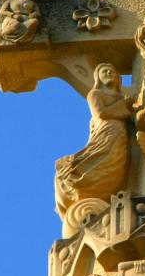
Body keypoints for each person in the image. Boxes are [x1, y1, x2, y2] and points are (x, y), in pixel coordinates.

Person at [54, 63, 133, 216]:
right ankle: (75, 176)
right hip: (105, 131)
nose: (109, 73)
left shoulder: (122, 97)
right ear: (98, 77)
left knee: (116, 158)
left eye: (113, 72)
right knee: (101, 154)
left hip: (120, 132)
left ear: (119, 79)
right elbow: (101, 113)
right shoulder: (95, 94)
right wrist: (125, 104)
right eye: (105, 71)